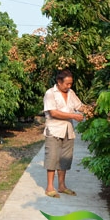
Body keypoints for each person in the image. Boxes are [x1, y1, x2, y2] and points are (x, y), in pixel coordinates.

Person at [43, 69, 84, 198]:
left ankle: (62, 185)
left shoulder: (71, 93)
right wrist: (73, 116)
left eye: (70, 83)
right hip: (54, 130)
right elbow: (53, 113)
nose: (69, 86)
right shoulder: (50, 93)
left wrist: (92, 108)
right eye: (67, 84)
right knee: (52, 158)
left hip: (68, 130)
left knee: (65, 159)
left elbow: (80, 106)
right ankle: (50, 187)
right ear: (59, 82)